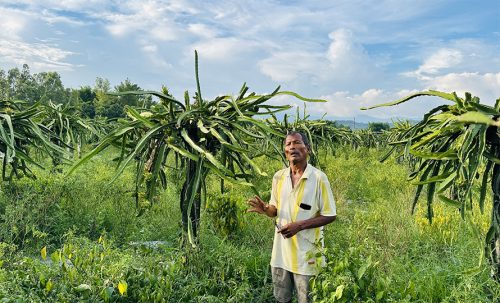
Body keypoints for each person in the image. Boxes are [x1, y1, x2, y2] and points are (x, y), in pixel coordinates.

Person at [247, 131, 337, 303]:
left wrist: (300, 225)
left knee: (308, 300)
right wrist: (266, 209)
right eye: (288, 144)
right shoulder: (278, 177)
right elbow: (275, 210)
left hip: (308, 258)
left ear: (307, 149)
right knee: (282, 299)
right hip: (280, 256)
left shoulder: (318, 178)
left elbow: (330, 215)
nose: (292, 147)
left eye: (297, 142)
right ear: (285, 151)